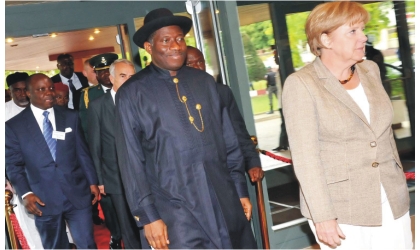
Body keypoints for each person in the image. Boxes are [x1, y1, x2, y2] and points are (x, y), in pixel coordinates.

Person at [115, 8, 257, 249]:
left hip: (223, 200)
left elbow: (229, 141)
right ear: (149, 48)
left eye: (180, 39)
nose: (176, 46)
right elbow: (131, 162)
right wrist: (149, 216)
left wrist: (240, 189)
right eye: (166, 40)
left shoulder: (204, 81)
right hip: (175, 212)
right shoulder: (132, 93)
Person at [282, 2, 412, 249]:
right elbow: (306, 158)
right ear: (325, 40)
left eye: (362, 29)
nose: (364, 37)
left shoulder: (370, 69)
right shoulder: (302, 84)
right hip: (342, 208)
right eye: (352, 31)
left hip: (390, 196)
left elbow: (382, 135)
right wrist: (323, 216)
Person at [6, 73, 99, 249]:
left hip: (77, 194)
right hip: (42, 199)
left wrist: (93, 182)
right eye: (41, 89)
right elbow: (13, 165)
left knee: (87, 244)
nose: (49, 93)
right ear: (28, 93)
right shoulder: (14, 126)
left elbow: (82, 153)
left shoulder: (70, 116)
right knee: (55, 246)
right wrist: (25, 193)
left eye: (50, 88)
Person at [186, 45, 264, 182]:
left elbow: (238, 132)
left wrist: (252, 163)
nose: (197, 67)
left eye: (200, 61)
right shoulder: (177, 98)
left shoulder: (221, 92)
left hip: (228, 172)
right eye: (190, 64)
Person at [87, 59, 141, 249]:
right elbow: (95, 146)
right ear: (111, 78)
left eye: (132, 76)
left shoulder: (142, 101)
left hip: (143, 174)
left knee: (147, 221)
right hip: (115, 176)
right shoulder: (97, 106)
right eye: (123, 76)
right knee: (126, 225)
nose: (128, 80)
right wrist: (100, 180)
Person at [80, 52, 123, 249]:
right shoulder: (89, 96)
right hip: (103, 158)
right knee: (108, 203)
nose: (105, 74)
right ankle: (115, 234)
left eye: (108, 70)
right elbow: (87, 131)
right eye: (101, 71)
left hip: (124, 154)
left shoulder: (126, 89)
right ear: (96, 74)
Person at [5, 72, 45, 250]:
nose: (21, 94)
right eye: (17, 91)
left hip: (44, 175)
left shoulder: (41, 107)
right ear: (10, 91)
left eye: (24, 90)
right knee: (29, 224)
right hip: (17, 178)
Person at [271, 46, 289, 152]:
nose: (274, 58)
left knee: (285, 124)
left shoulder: (285, 70)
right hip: (281, 102)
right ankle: (283, 144)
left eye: (275, 56)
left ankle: (283, 144)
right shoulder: (280, 70)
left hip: (286, 102)